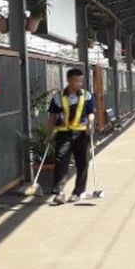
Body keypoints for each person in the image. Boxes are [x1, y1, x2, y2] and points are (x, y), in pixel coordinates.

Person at [47, 68, 97, 205]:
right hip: (63, 133)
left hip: (82, 133)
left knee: (82, 163)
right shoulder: (58, 96)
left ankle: (78, 192)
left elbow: (91, 112)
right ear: (68, 80)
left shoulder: (87, 96)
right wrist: (49, 134)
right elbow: (52, 116)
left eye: (81, 81)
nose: (79, 84)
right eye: (76, 81)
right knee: (61, 160)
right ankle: (59, 192)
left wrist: (90, 125)